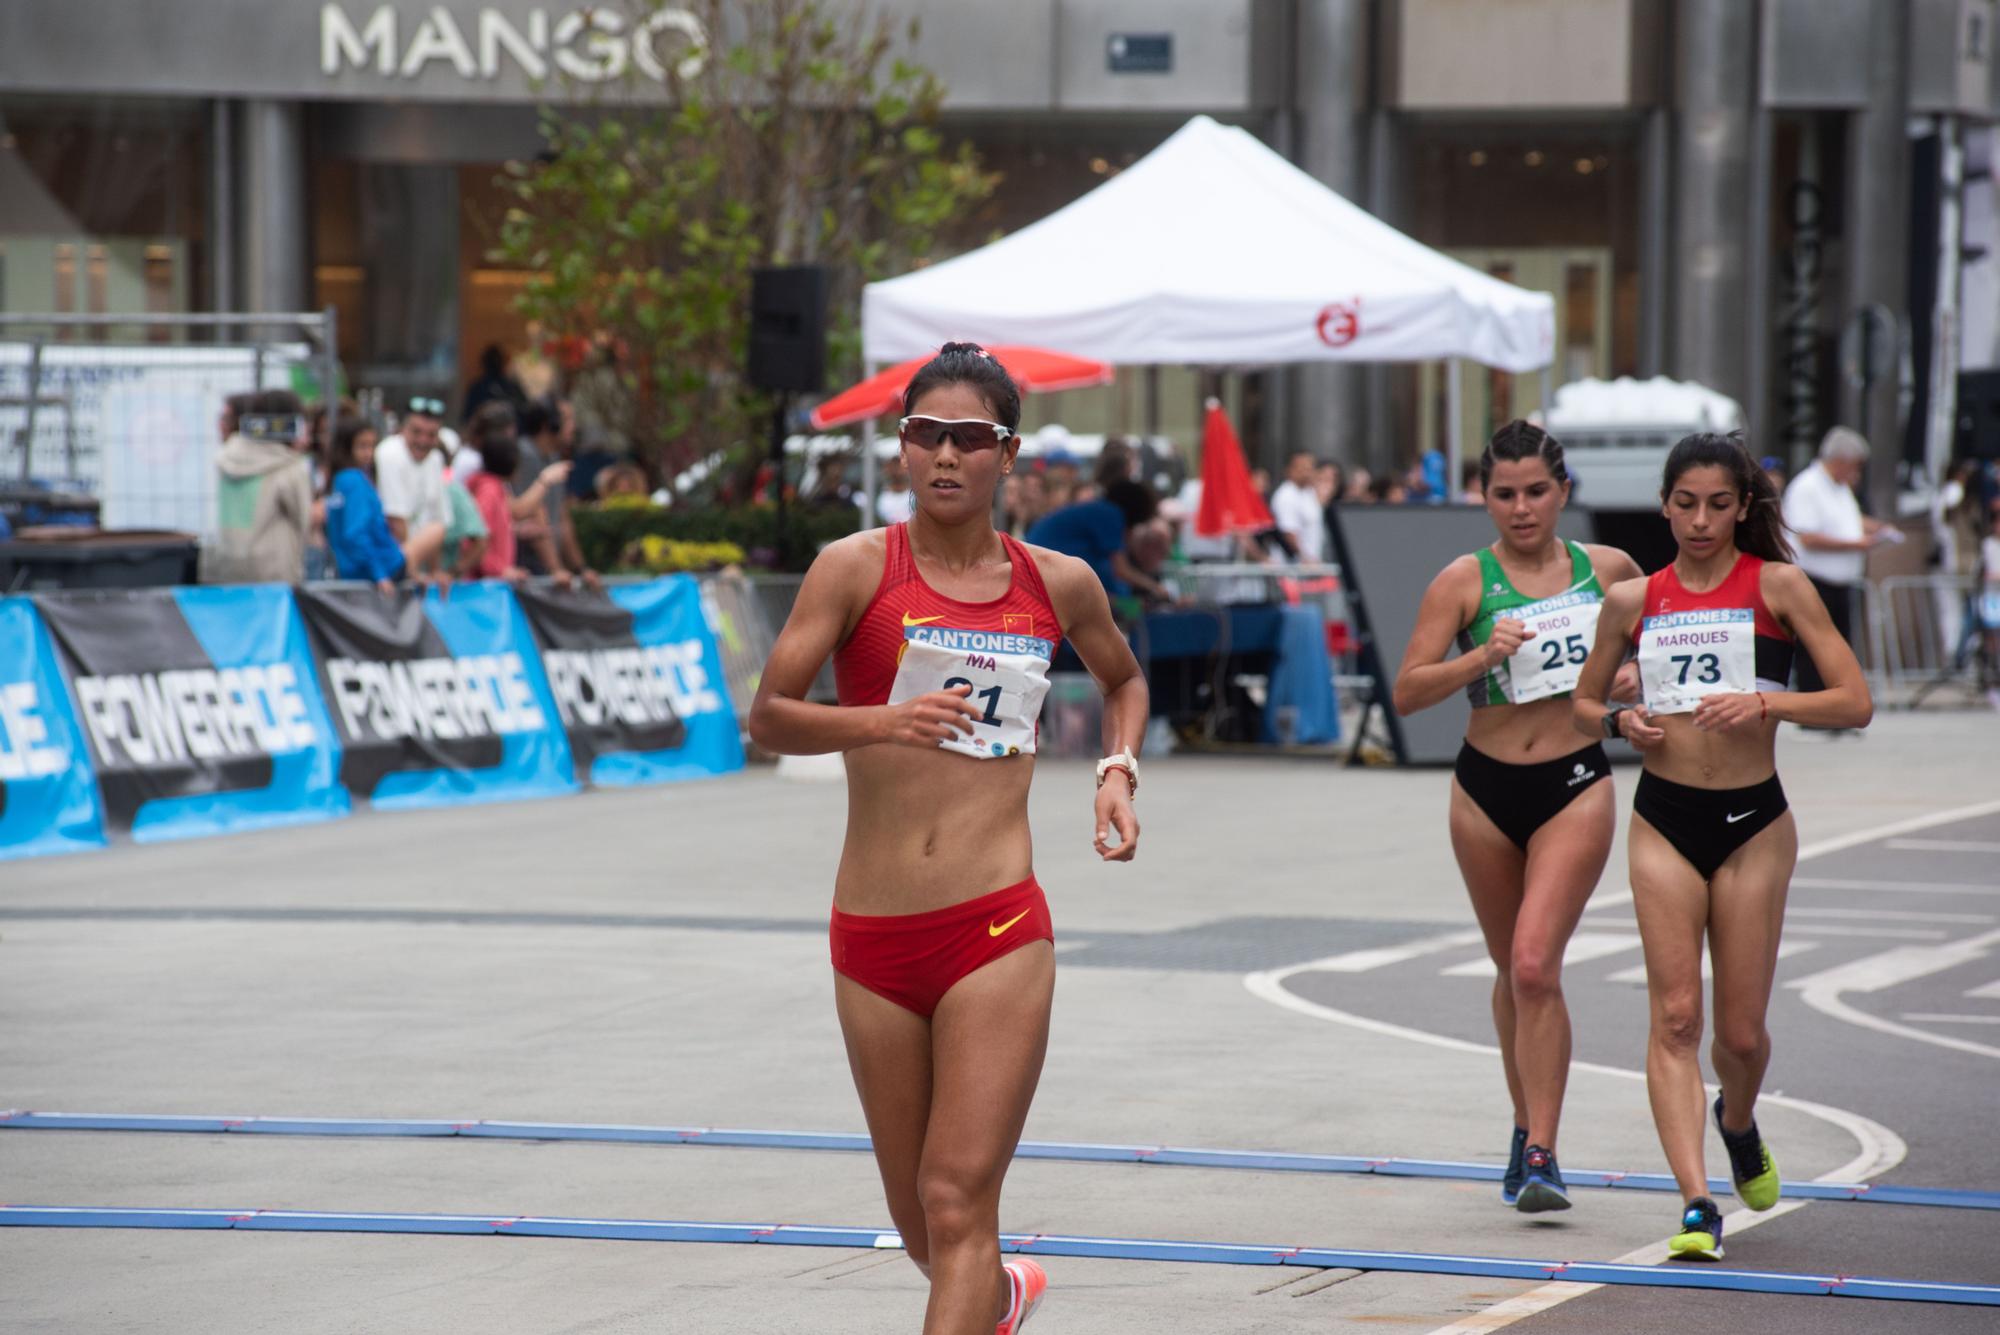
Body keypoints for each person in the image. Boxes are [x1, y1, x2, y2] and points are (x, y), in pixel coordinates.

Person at [746, 343, 1146, 1335]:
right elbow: (767, 716)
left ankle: (984, 1284)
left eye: (969, 438)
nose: (944, 456)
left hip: (995, 928)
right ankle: (1002, 1296)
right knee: (922, 1224)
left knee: (958, 1201)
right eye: (925, 434)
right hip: (872, 940)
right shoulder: (852, 570)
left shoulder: (1057, 584)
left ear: (1005, 454)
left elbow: (1125, 680)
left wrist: (1115, 771)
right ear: (900, 446)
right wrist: (880, 721)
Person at [1573, 432, 1872, 1261]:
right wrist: (1616, 720)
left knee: (1738, 1037)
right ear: (1664, 504)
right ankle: (1699, 1201)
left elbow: (1854, 701)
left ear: (1743, 506)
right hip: (1663, 817)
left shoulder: (1779, 585)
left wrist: (1766, 707)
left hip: (1754, 825)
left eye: (1718, 504)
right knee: (1675, 1017)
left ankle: (1737, 1119)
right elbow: (1581, 704)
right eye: (1684, 503)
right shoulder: (1633, 600)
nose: (1700, 520)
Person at [1392, 420, 1644, 1214]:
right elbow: (1408, 690)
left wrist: (1632, 673)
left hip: (1574, 780)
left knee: (1537, 964)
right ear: (1485, 497)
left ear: (1563, 491)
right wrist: (1480, 657)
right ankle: (1523, 1120)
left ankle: (1543, 1148)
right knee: (1512, 972)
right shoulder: (1463, 581)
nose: (1522, 507)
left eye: (1536, 490)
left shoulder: (1608, 570)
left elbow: (1658, 644)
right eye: (1505, 493)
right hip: (1483, 791)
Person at [1781, 427, 1889, 696]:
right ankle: (1814, 711)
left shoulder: (1838, 488)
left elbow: (1842, 522)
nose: (1856, 473)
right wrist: (1856, 544)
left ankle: (1837, 708)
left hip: (1840, 582)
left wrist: (1871, 528)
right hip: (1815, 580)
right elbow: (1807, 536)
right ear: (1840, 461)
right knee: (1816, 650)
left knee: (1838, 650)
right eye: (1854, 466)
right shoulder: (1808, 486)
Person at [207, 388, 315, 585]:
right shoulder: (290, 466)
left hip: (228, 563)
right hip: (274, 572)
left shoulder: (228, 456)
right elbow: (303, 519)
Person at [515, 397, 597, 588]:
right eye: (567, 420)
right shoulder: (525, 455)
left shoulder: (553, 456)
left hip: (549, 572)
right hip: (528, 574)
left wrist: (581, 569)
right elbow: (535, 515)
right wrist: (556, 569)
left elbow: (562, 518)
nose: (573, 427)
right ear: (548, 424)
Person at [322, 415, 409, 595]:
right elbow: (355, 533)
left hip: (354, 574)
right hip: (381, 571)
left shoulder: (339, 480)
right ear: (346, 447)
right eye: (362, 446)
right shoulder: (355, 481)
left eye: (372, 445)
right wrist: (379, 574)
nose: (369, 453)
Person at [373, 398, 452, 576]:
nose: (423, 440)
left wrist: (435, 571)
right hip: (389, 558)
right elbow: (395, 521)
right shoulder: (390, 452)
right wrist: (412, 572)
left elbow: (438, 520)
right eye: (416, 432)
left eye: (431, 435)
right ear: (402, 429)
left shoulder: (435, 459)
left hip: (412, 559)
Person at [463, 403, 533, 582]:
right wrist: (498, 570)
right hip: (481, 587)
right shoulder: (489, 491)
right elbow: (475, 535)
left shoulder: (497, 489)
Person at [462, 342, 528, 424]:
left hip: (509, 433)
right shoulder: (477, 388)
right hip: (485, 434)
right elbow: (468, 418)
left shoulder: (511, 386)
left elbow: (525, 412)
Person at [879, 455, 918, 526]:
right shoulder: (882, 497)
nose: (896, 471)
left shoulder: (916, 496)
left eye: (899, 467)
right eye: (893, 467)